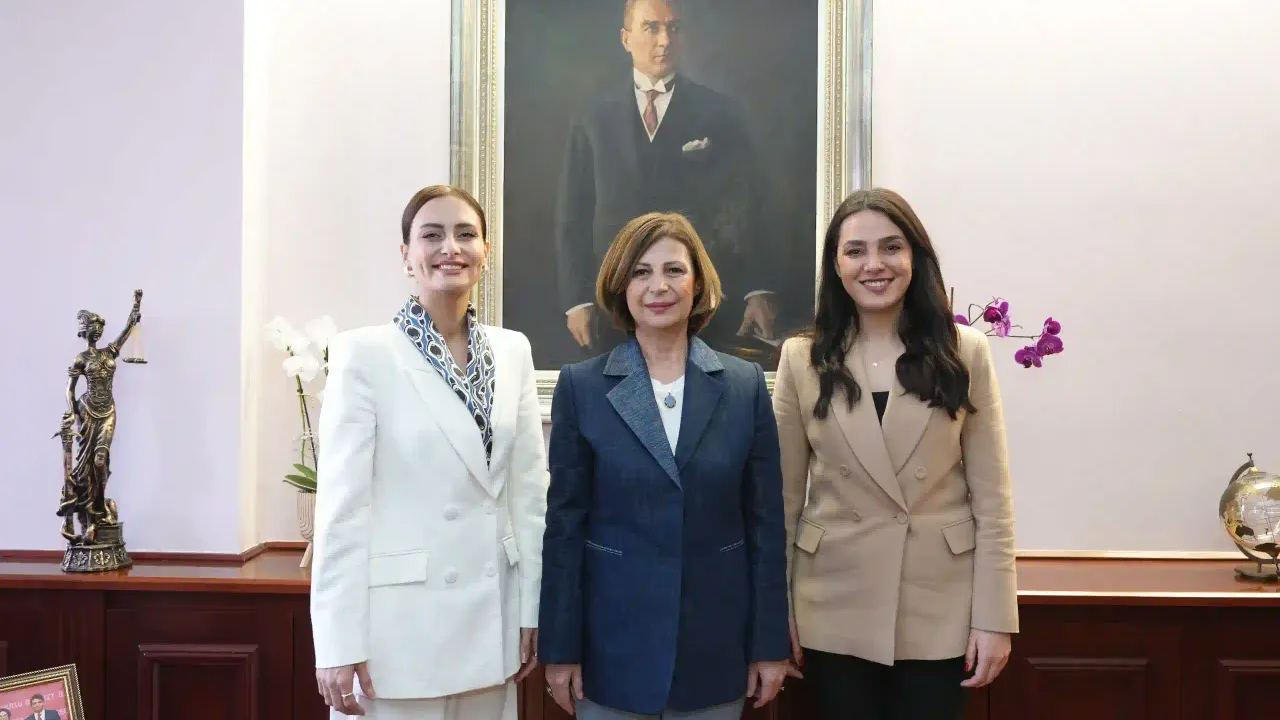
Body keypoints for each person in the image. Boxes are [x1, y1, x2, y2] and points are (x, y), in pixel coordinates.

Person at [773, 189, 1018, 719]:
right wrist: (776, 613)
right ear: (835, 265)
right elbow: (782, 504)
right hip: (830, 602)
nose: (874, 264)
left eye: (890, 247)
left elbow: (994, 504)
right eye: (855, 250)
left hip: (939, 604)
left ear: (915, 257)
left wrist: (995, 618)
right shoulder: (801, 358)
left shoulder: (964, 351)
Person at [539, 212, 793, 718]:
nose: (659, 286)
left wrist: (769, 645)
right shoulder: (582, 387)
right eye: (641, 272)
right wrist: (560, 649)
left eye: (674, 270)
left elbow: (766, 526)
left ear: (698, 284)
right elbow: (564, 527)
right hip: (610, 652)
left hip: (715, 649)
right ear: (621, 286)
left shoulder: (744, 386)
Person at [310, 185, 548, 719]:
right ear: (407, 254)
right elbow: (342, 510)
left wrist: (531, 608)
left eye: (466, 234)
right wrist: (337, 641)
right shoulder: (363, 353)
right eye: (432, 234)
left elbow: (530, 496)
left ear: (485, 252)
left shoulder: (512, 351)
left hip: (491, 622)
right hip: (396, 635)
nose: (450, 247)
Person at [554, 0, 787, 366]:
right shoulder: (593, 116)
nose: (664, 40)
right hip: (612, 303)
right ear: (626, 38)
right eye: (651, 28)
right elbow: (573, 213)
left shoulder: (719, 113)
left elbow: (749, 205)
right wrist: (577, 300)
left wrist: (758, 289)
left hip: (703, 302)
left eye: (673, 28)